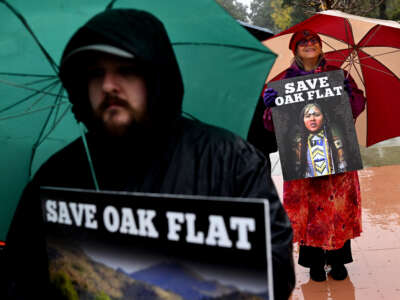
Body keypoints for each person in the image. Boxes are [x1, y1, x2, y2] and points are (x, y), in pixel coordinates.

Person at [2, 9, 295, 300]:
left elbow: (277, 271)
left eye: (125, 70)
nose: (108, 85)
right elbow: (19, 277)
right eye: (95, 74)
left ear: (156, 77)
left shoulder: (230, 160)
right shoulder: (55, 177)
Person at [263, 29, 366, 282]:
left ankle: (338, 260)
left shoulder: (339, 75)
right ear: (295, 49)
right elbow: (270, 125)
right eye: (303, 42)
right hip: (301, 160)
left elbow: (356, 108)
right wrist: (271, 106)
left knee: (337, 208)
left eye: (314, 41)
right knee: (309, 212)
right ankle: (314, 263)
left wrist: (347, 94)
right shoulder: (284, 80)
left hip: (336, 158)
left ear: (321, 47)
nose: (309, 45)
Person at [295, 102, 347, 178]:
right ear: (303, 121)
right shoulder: (299, 145)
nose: (312, 119)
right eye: (307, 116)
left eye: (316, 115)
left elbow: (343, 166)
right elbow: (299, 171)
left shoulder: (334, 140)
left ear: (324, 118)